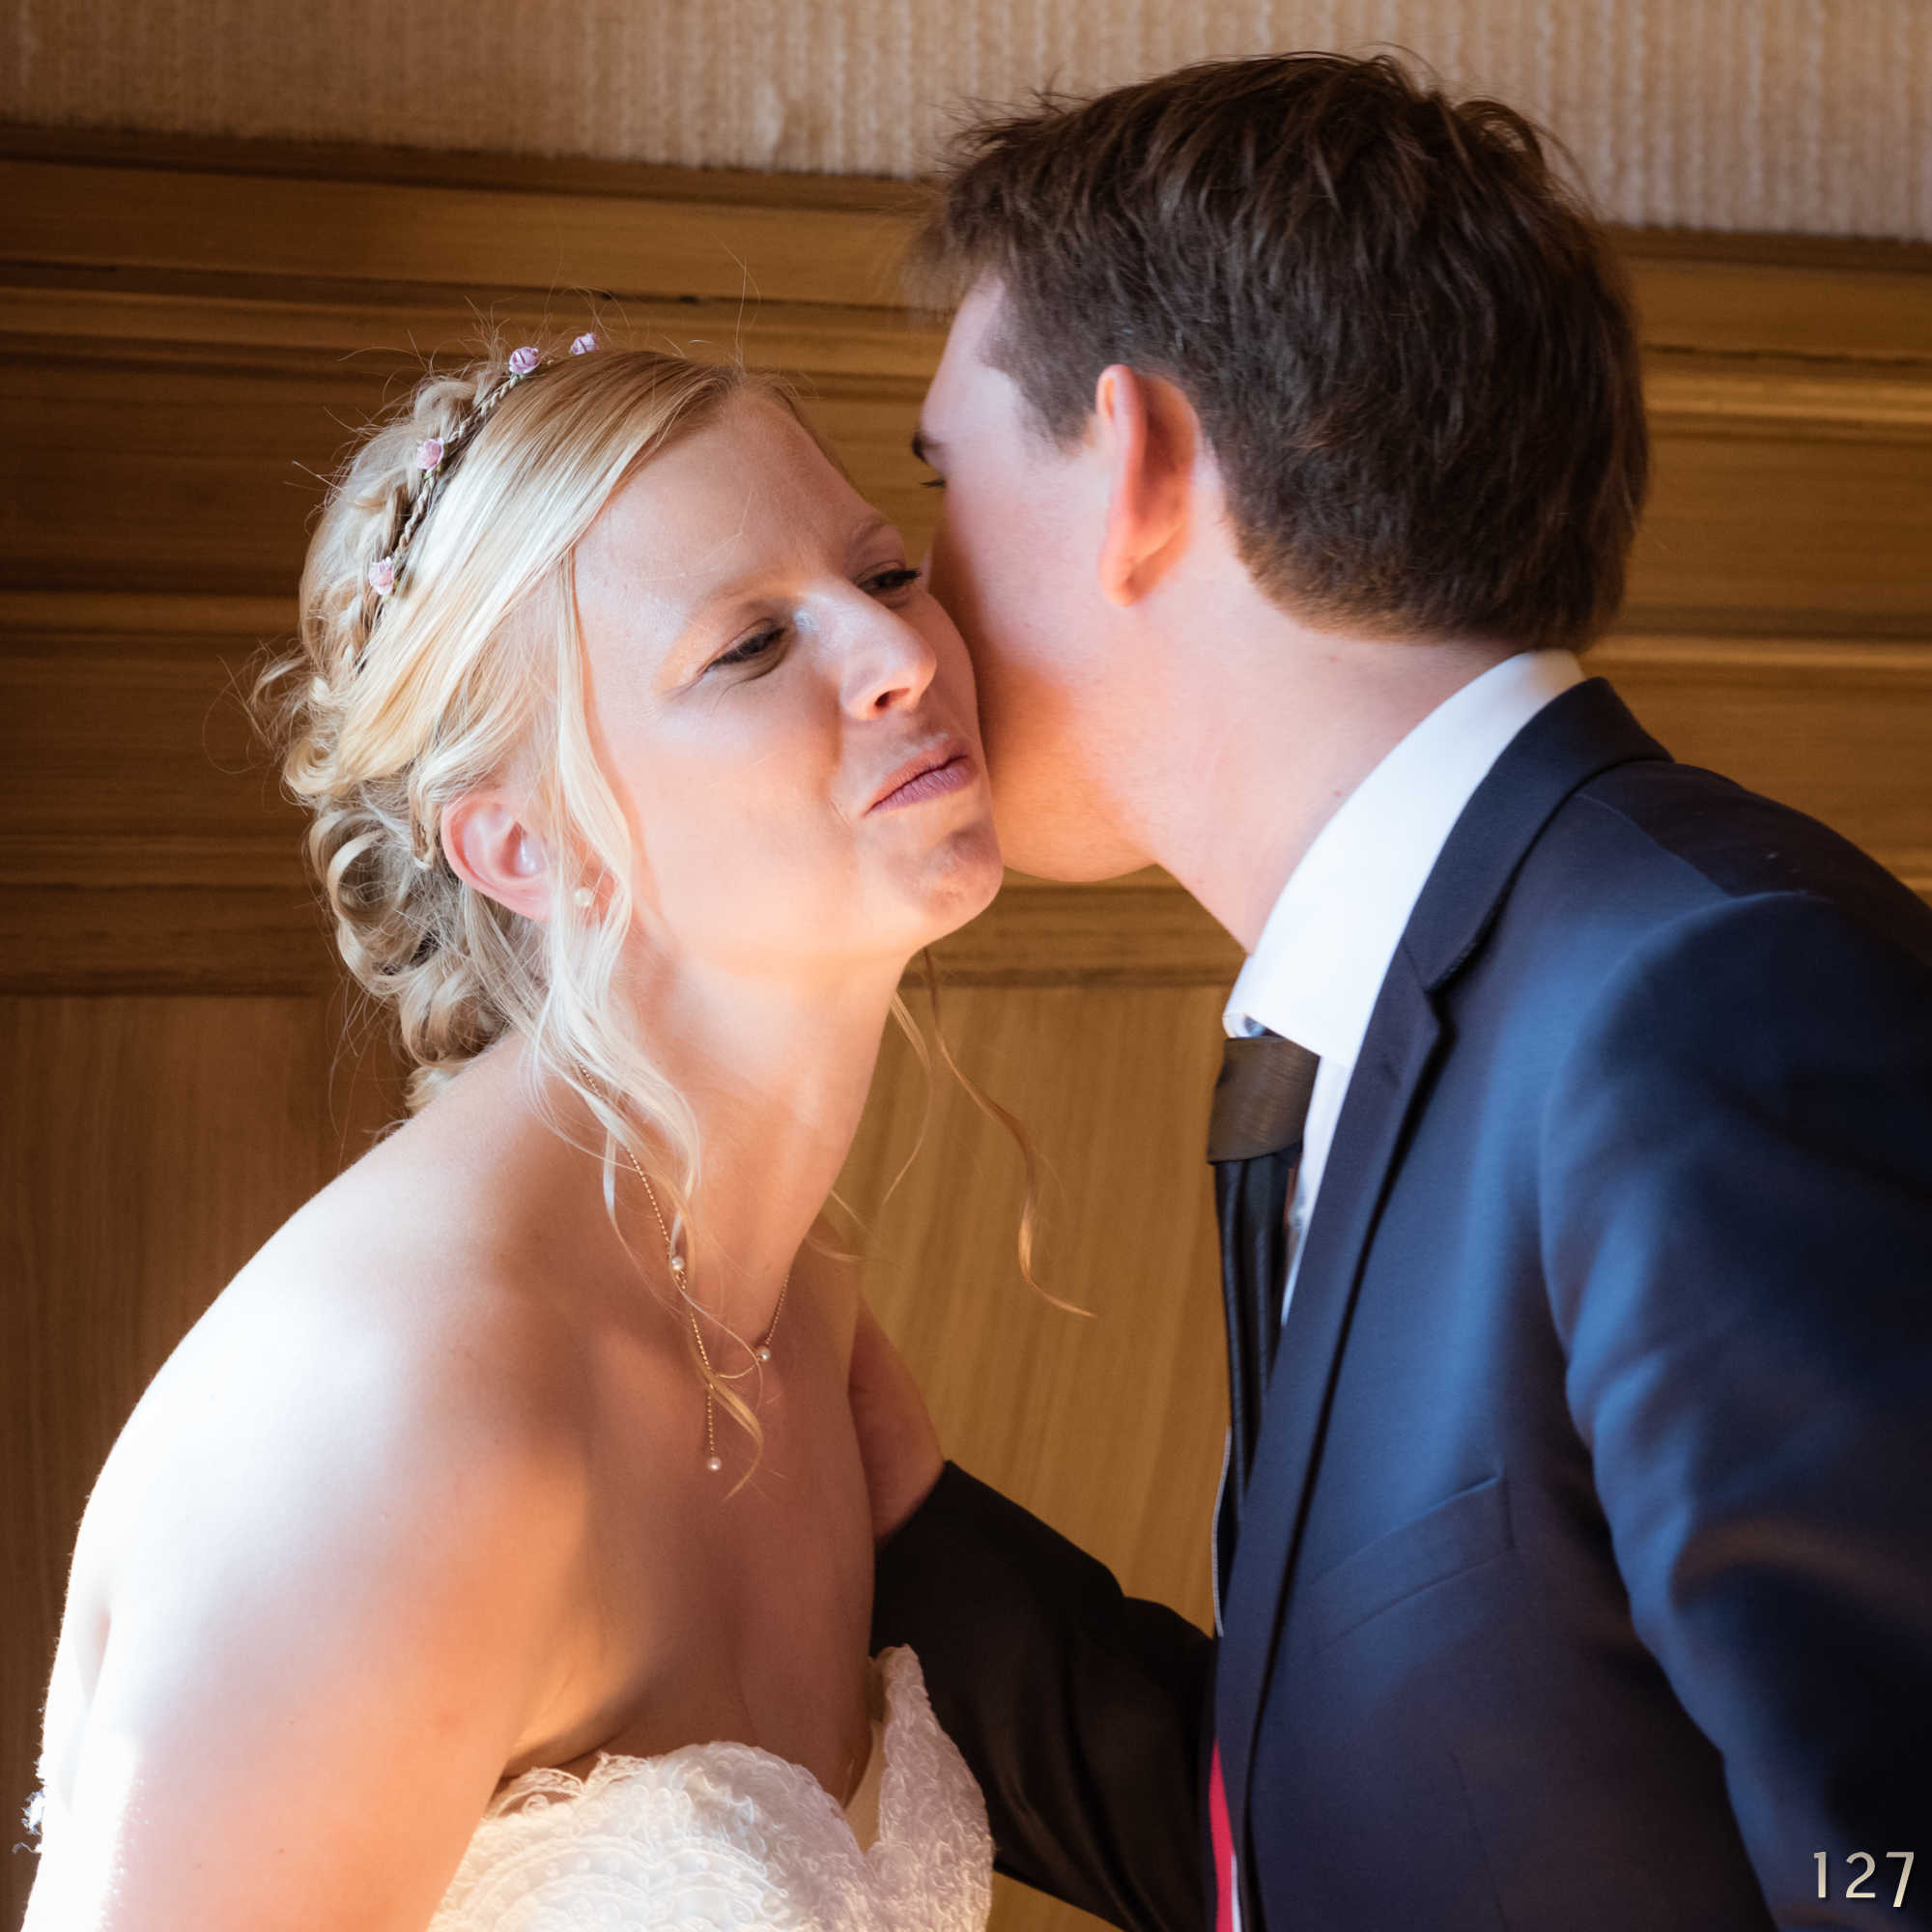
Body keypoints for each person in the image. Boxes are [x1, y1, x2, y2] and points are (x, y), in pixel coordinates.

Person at [855, 51, 1932, 1932]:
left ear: (1135, 464)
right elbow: (1383, 1829)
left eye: (943, 483)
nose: (913, 606)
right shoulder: (1390, 1007)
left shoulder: (1699, 1012)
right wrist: (837, 1501)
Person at [25, 339, 1002, 1929]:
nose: (901, 648)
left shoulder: (798, 1306)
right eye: (752, 643)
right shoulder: (398, 1413)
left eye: (888, 569)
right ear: (522, 845)